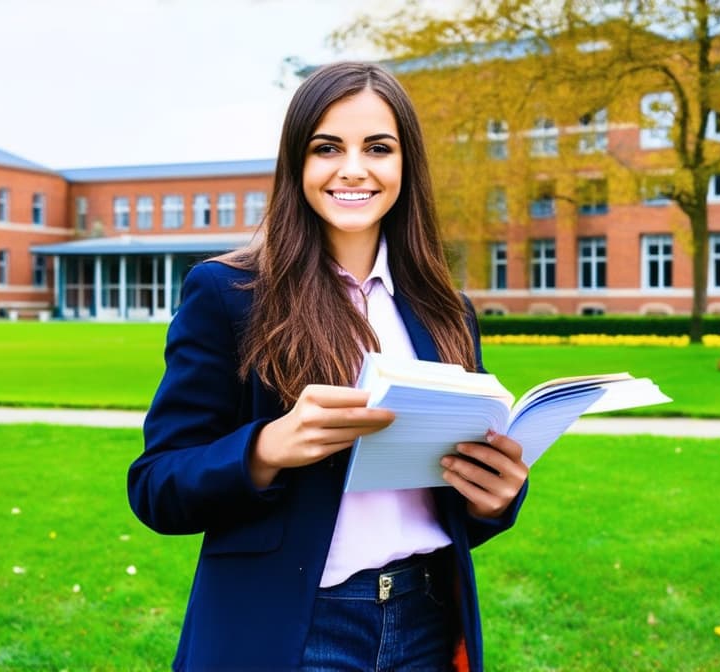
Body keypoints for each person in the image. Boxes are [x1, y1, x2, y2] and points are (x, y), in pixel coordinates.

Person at [128, 61, 529, 672]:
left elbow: (449, 507)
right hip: (293, 629)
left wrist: (493, 499)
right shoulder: (227, 295)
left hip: (426, 620)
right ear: (298, 164)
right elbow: (157, 486)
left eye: (378, 148)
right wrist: (266, 448)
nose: (353, 168)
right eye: (327, 147)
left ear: (405, 166)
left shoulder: (448, 311)